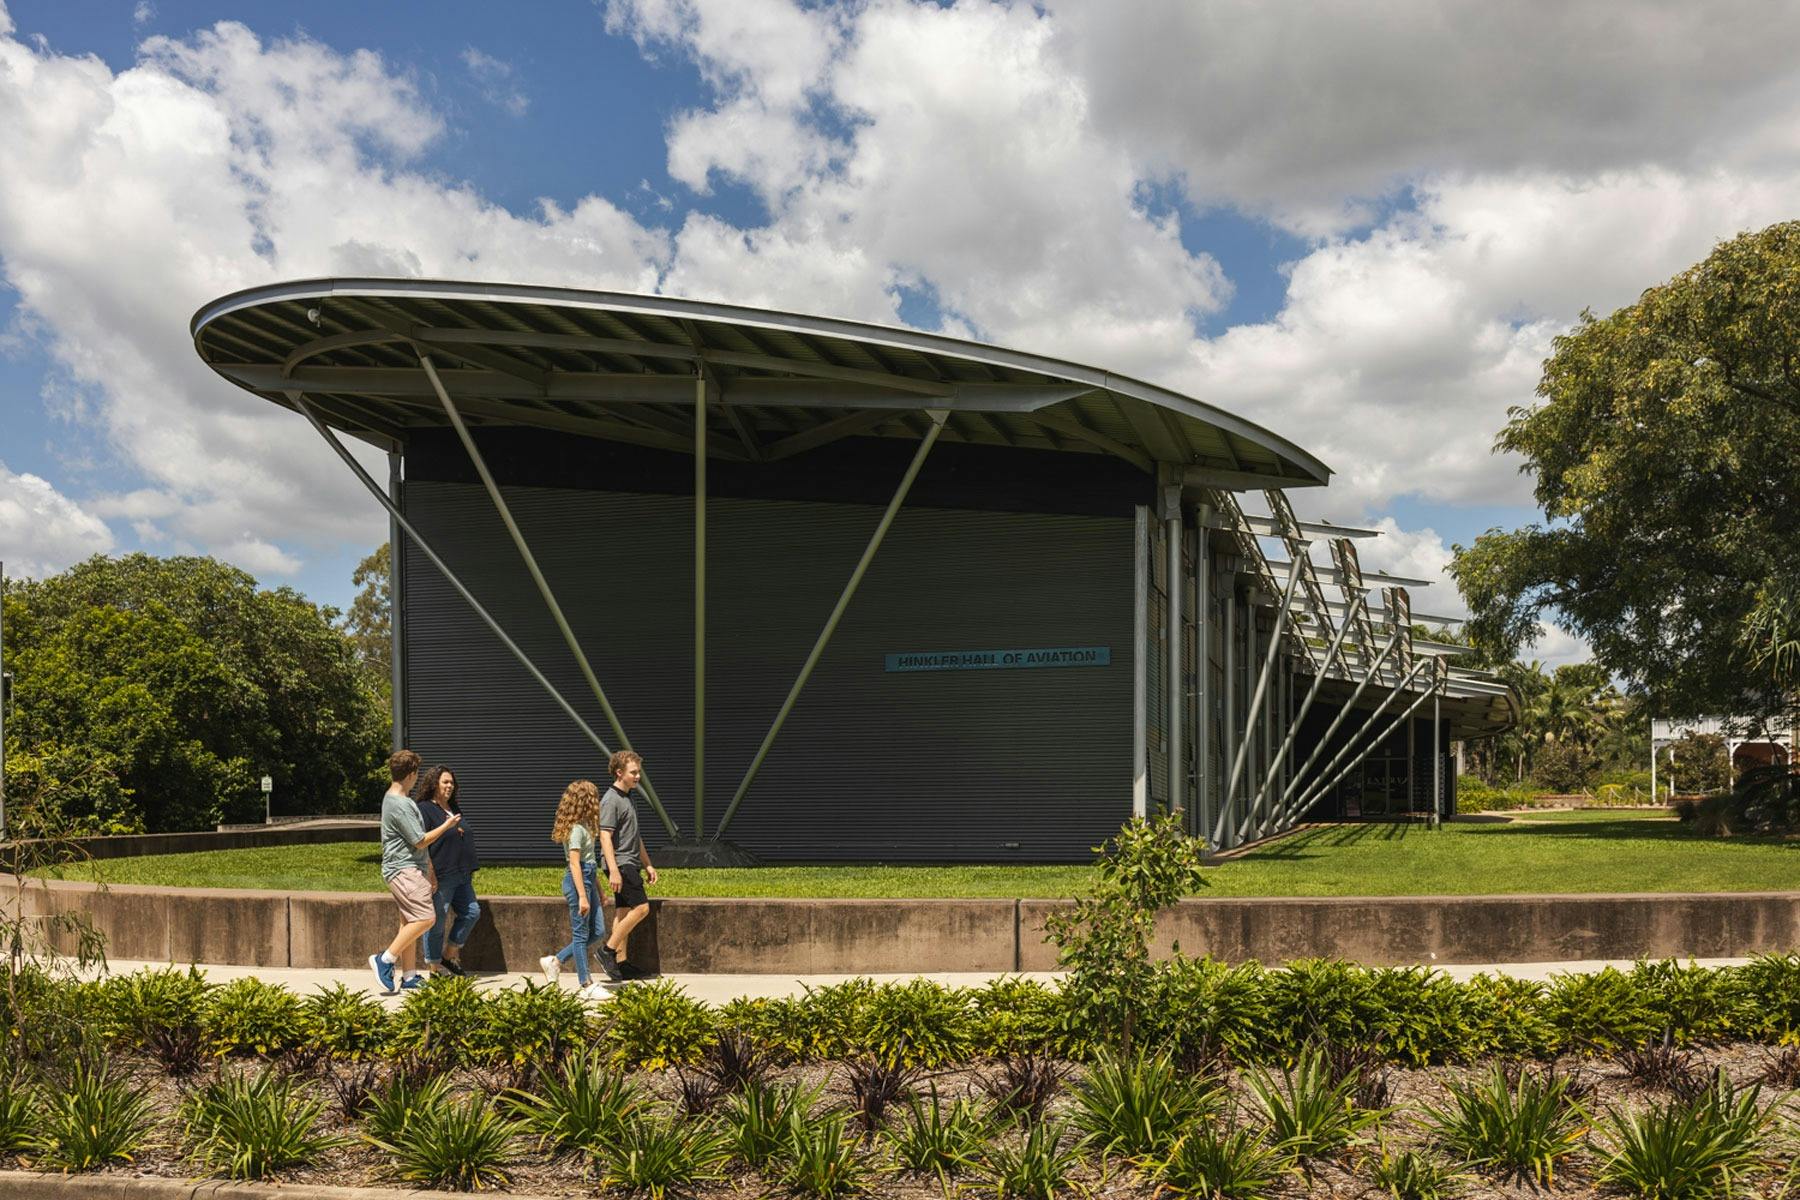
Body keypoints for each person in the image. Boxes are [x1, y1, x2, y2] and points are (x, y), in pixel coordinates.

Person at [370, 749, 460, 994]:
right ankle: (385, 959)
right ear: (411, 774)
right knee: (425, 918)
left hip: (409, 868)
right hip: (404, 869)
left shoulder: (396, 799)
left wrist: (429, 870)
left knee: (409, 922)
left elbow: (417, 846)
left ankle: (409, 976)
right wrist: (447, 825)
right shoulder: (399, 804)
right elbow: (419, 840)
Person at [540, 779, 609, 1000]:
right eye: (593, 799)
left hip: (588, 879)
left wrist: (600, 891)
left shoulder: (586, 826)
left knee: (597, 931)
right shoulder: (576, 830)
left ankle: (555, 961)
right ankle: (586, 984)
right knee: (580, 935)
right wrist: (582, 895)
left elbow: (590, 864)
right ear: (584, 801)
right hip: (577, 882)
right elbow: (575, 864)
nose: (596, 803)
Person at [597, 750, 659, 982]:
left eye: (638, 772)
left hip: (630, 862)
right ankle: (608, 951)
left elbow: (635, 836)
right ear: (619, 772)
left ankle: (620, 964)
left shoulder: (627, 798)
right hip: (620, 863)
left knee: (622, 912)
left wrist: (648, 864)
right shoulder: (611, 800)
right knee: (641, 908)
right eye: (634, 773)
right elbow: (604, 836)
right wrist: (613, 869)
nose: (638, 777)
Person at [414, 764, 481, 976]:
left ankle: (449, 955)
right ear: (434, 783)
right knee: (437, 921)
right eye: (445, 782)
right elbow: (423, 843)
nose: (450, 786)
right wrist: (430, 874)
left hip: (462, 874)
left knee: (472, 912)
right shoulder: (425, 809)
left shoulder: (454, 808)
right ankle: (434, 969)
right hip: (441, 876)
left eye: (452, 782)